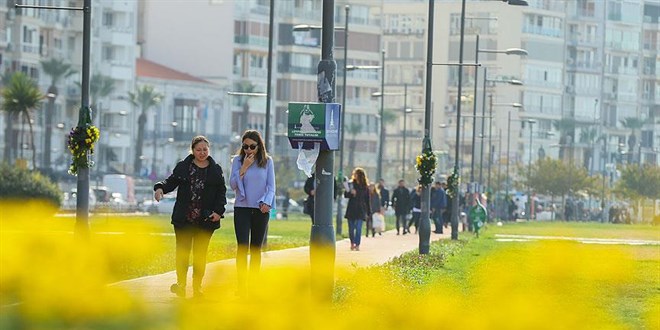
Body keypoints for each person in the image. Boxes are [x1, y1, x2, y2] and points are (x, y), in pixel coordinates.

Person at [153, 136, 226, 299]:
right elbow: (170, 182)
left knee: (200, 254)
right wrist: (160, 189)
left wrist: (218, 211)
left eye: (205, 150)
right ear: (192, 150)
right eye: (198, 150)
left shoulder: (216, 170)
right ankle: (181, 284)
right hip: (184, 219)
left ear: (209, 150)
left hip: (205, 220)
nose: (202, 153)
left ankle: (197, 287)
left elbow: (221, 192)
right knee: (183, 253)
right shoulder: (184, 167)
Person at [229, 130, 276, 297]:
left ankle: (254, 286)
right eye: (245, 146)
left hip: (260, 209)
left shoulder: (267, 162)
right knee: (242, 248)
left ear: (259, 146)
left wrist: (266, 202)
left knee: (256, 249)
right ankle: (241, 287)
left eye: (252, 146)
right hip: (241, 208)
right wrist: (244, 167)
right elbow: (233, 185)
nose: (248, 150)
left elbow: (271, 187)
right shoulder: (237, 161)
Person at [344, 167, 371, 251]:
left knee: (358, 228)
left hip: (361, 210)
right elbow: (346, 195)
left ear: (360, 175)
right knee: (351, 229)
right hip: (351, 209)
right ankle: (352, 243)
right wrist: (350, 193)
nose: (354, 175)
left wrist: (369, 212)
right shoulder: (351, 184)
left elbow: (367, 200)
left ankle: (357, 244)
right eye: (354, 173)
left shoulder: (365, 186)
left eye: (356, 174)